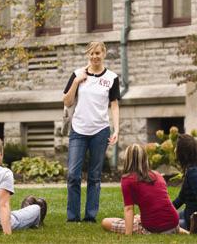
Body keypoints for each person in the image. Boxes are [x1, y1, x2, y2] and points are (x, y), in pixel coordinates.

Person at [63, 41, 120, 223]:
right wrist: (77, 82)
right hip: (79, 130)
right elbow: (67, 101)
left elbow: (114, 105)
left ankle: (90, 216)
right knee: (73, 174)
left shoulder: (112, 77)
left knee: (95, 176)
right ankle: (73, 216)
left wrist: (116, 129)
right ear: (88, 55)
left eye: (98, 53)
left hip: (100, 131)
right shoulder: (77, 74)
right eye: (92, 53)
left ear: (104, 54)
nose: (95, 56)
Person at [101, 144, 188, 235]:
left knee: (105, 222)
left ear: (127, 159)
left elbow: (129, 209)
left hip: (153, 228)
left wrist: (128, 235)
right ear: (145, 158)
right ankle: (185, 232)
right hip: (173, 223)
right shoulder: (157, 175)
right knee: (137, 217)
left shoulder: (127, 180)